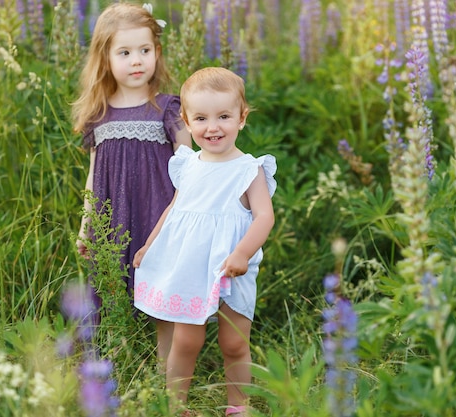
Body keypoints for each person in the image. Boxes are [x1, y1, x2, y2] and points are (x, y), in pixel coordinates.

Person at [133, 67, 277, 416]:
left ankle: (238, 406)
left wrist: (243, 252)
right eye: (201, 118)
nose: (213, 127)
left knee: (233, 342)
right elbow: (173, 209)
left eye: (224, 116)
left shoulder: (249, 169)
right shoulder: (188, 165)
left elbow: (264, 217)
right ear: (186, 120)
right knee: (186, 340)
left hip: (233, 267)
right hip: (190, 266)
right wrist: (149, 245)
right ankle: (175, 406)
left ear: (242, 119)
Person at [72, 2, 191, 365]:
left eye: (145, 50)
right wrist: (85, 224)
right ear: (105, 58)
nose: (136, 60)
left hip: (159, 216)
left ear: (157, 52)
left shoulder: (169, 108)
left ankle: (164, 376)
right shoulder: (99, 113)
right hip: (112, 218)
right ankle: (119, 365)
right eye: (124, 52)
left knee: (161, 296)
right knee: (110, 290)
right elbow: (93, 177)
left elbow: (190, 169)